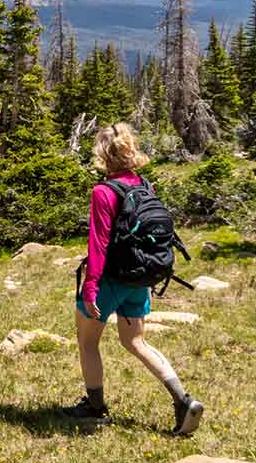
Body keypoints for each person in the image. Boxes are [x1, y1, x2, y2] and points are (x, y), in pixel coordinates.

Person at [65, 122, 205, 436]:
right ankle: (182, 399)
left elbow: (98, 243)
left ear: (102, 153)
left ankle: (95, 406)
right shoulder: (144, 185)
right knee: (136, 341)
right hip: (140, 277)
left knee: (88, 342)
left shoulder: (103, 191)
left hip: (110, 279)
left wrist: (90, 286)